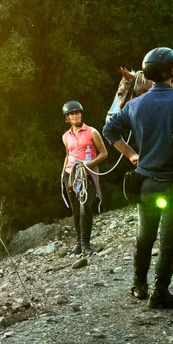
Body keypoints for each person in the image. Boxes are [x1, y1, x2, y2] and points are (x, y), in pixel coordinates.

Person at [103, 47, 173, 309]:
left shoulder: (134, 105)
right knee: (168, 241)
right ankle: (160, 293)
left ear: (149, 75)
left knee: (145, 237)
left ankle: (139, 285)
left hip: (145, 184)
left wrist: (131, 155)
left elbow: (109, 130)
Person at [61, 100, 108, 255]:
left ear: (81, 114)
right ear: (67, 118)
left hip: (87, 173)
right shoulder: (65, 136)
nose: (75, 116)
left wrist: (89, 165)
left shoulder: (92, 132)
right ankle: (79, 244)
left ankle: (86, 244)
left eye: (77, 112)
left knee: (85, 208)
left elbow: (104, 153)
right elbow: (68, 155)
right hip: (71, 174)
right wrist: (63, 175)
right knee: (75, 210)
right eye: (71, 114)